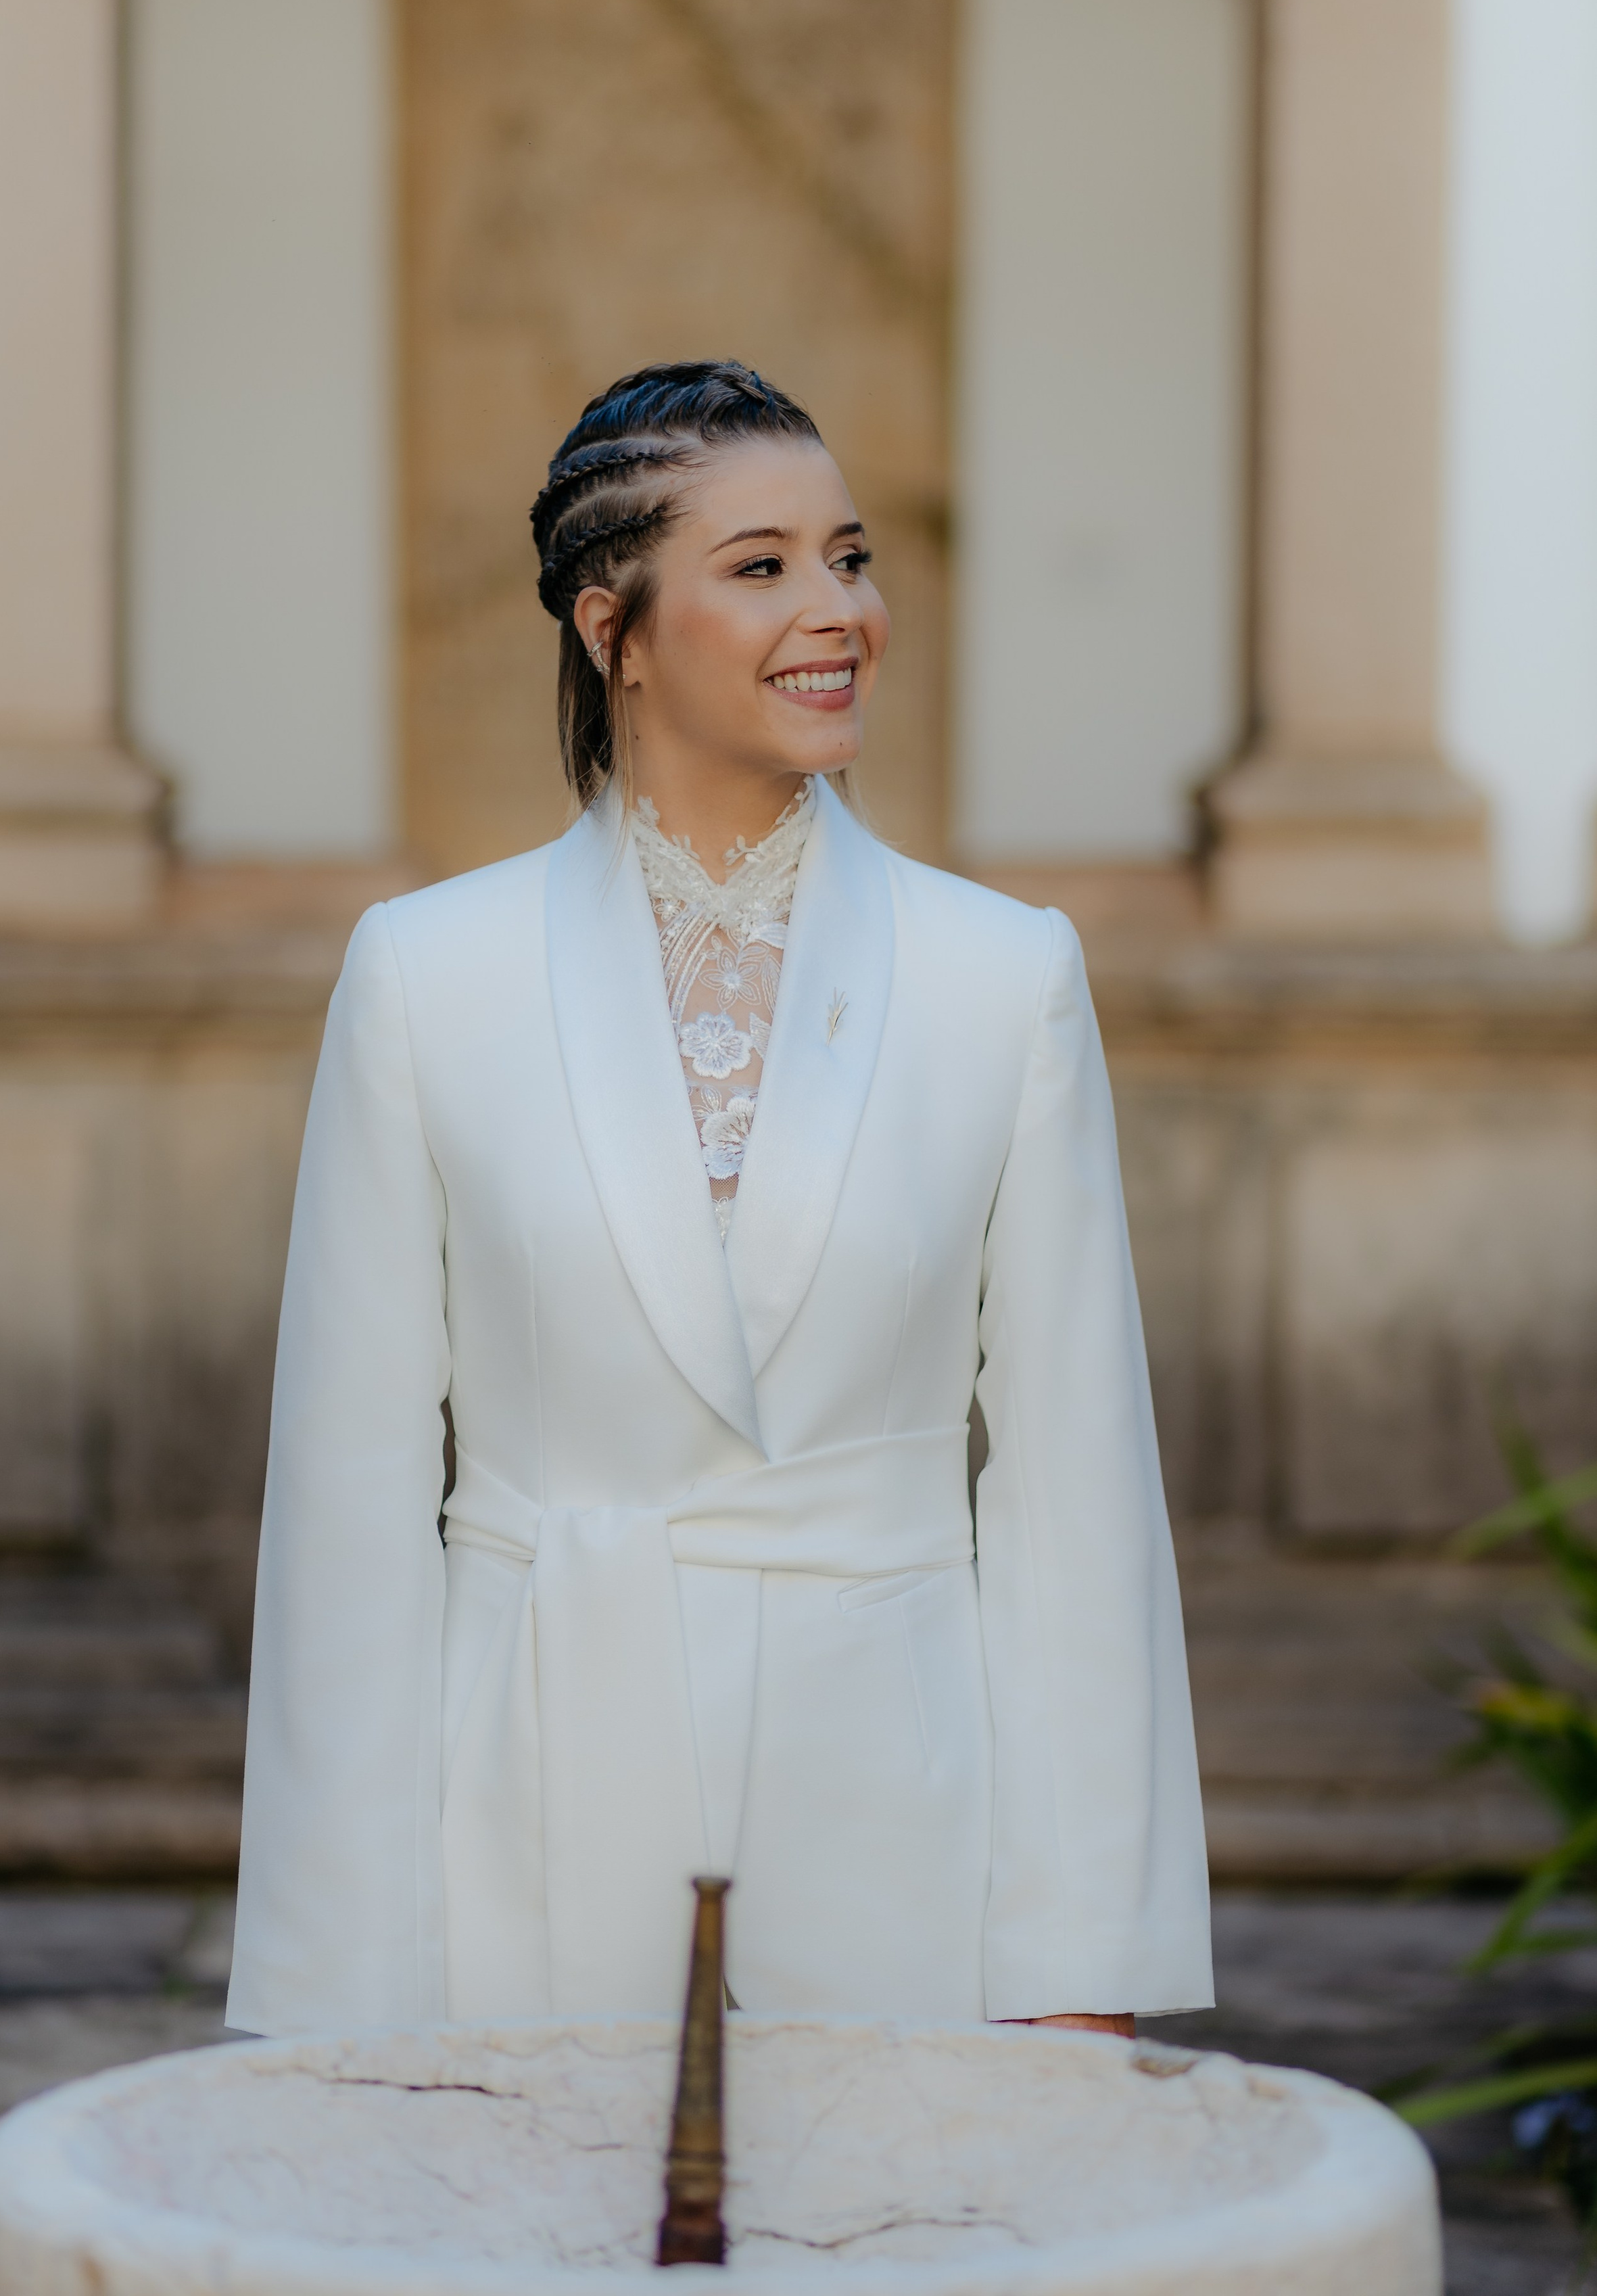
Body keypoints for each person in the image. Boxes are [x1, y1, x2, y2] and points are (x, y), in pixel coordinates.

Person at [227, 360, 1212, 2039]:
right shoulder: (427, 976)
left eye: (850, 557)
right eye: (760, 566)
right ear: (610, 628)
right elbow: (349, 1509)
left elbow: (1075, 1502)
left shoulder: (1001, 979)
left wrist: (1078, 1974)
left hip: (894, 1834)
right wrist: (341, 1989)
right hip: (522, 1819)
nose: (838, 611)